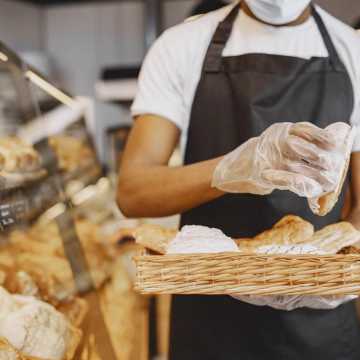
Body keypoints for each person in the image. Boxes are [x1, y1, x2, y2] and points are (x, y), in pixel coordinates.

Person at [117, 0, 360, 359]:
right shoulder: (182, 46)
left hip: (318, 323)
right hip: (210, 317)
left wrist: (335, 273)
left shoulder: (352, 50)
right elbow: (133, 192)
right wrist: (231, 169)